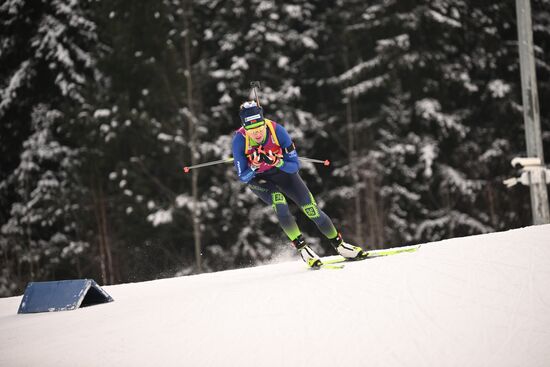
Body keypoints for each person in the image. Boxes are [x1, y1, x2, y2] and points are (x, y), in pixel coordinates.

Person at [232, 101, 365, 268]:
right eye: (252, 131)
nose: (257, 134)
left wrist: (277, 161)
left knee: (311, 209)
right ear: (245, 129)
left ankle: (340, 245)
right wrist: (254, 166)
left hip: (284, 174)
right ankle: (302, 248)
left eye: (260, 129)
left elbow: (294, 166)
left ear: (264, 122)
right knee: (279, 202)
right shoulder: (239, 140)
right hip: (259, 180)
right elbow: (243, 177)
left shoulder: (277, 131)